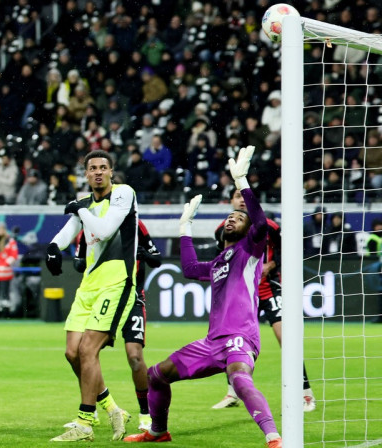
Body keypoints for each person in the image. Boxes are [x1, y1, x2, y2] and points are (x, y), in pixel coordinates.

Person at [124, 146, 283, 448]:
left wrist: (242, 183)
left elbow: (262, 224)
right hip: (211, 343)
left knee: (240, 379)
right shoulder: (218, 263)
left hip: (240, 337)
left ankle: (273, 438)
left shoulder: (250, 252)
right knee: (157, 375)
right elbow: (189, 269)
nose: (233, 219)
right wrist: (185, 228)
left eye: (240, 217)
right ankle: (158, 432)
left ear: (248, 229)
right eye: (230, 216)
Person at [44, 150, 137, 442]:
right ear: (85, 174)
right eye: (92, 168)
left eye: (103, 167)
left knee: (87, 350)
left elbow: (106, 231)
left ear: (111, 171)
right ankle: (112, 408)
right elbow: (69, 230)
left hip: (117, 280)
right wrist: (53, 247)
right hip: (89, 284)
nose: (98, 172)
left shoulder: (123, 194)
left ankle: (85, 422)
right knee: (72, 352)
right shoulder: (84, 204)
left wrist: (79, 209)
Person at [211, 186, 316, 412]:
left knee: (285, 338)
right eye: (236, 196)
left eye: (244, 196)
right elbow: (221, 259)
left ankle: (305, 394)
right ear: (230, 201)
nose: (241, 200)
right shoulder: (223, 228)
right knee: (232, 342)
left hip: (268, 289)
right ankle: (232, 393)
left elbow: (288, 249)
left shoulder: (269, 226)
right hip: (241, 295)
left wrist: (273, 263)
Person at [73, 218, 161, 432]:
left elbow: (156, 259)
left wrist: (143, 254)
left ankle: (145, 413)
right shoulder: (89, 227)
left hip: (132, 297)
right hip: (103, 297)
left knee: (135, 357)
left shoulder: (135, 224)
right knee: (82, 352)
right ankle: (95, 410)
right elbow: (78, 262)